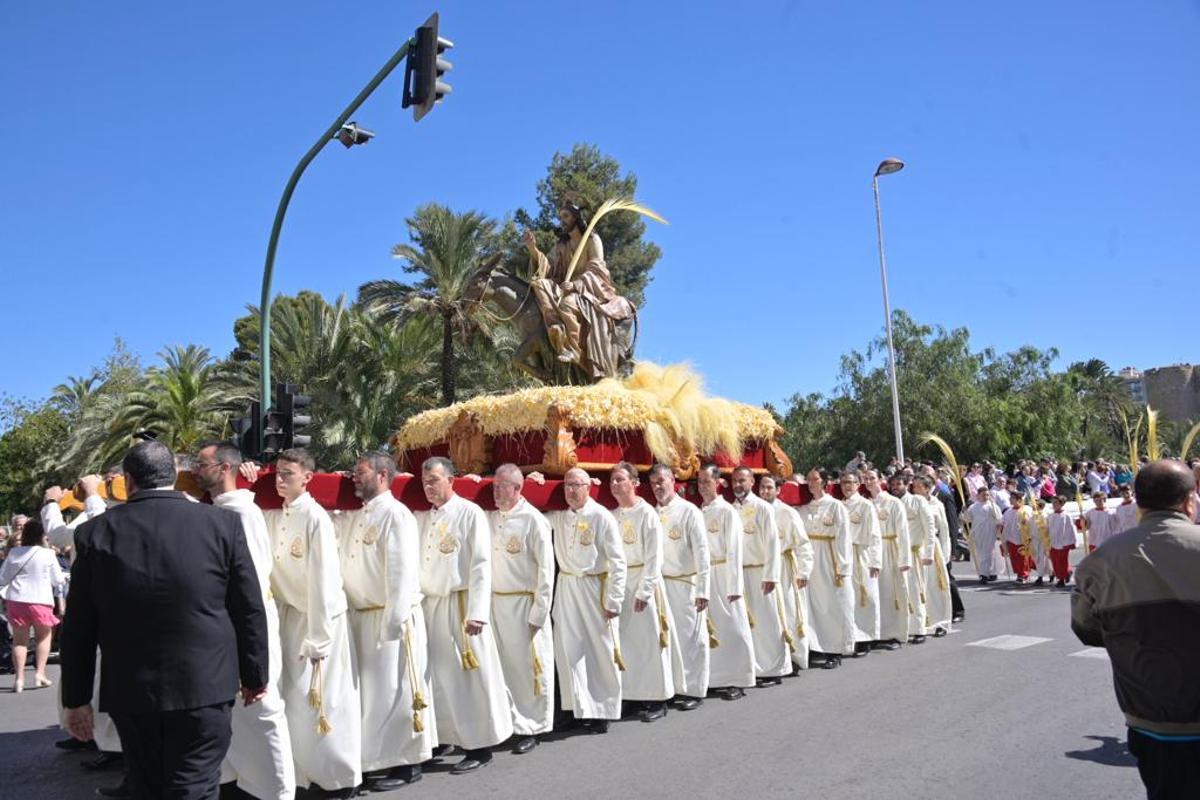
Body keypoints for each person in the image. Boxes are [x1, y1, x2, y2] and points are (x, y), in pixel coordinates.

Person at [59, 440, 268, 800]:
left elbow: (79, 624)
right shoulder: (222, 525)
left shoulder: (94, 533)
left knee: (147, 784)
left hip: (131, 689)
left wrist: (76, 699)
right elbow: (247, 606)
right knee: (195, 783)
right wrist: (254, 674)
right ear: (174, 476)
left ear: (129, 479)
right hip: (205, 684)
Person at [1072, 460, 1200, 798]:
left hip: (1149, 717)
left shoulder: (1099, 563)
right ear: (1190, 500)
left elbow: (1086, 630)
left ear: (1139, 503)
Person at [254, 449, 362, 798]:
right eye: (277, 474)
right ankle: (303, 775)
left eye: (288, 473)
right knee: (294, 702)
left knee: (323, 700)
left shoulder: (315, 517)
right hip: (289, 616)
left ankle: (338, 779)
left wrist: (319, 638)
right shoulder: (276, 514)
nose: (280, 479)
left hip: (320, 619)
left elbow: (325, 580)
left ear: (307, 478)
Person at [192, 442, 296, 800]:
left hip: (248, 620)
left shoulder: (243, 514)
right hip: (226, 622)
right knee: (233, 709)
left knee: (263, 707)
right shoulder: (217, 510)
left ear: (224, 468)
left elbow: (250, 582)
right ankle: (241, 782)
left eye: (201, 463)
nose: (194, 469)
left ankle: (278, 791)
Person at [335, 452, 433, 791]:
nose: (353, 478)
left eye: (359, 472)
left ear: (381, 476)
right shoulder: (360, 515)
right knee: (374, 696)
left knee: (396, 690)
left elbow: (401, 572)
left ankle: (406, 763)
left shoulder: (396, 514)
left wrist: (394, 622)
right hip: (362, 616)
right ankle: (379, 758)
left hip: (389, 617)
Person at [415, 457, 512, 771]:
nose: (428, 487)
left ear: (451, 480)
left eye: (434, 480)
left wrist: (477, 612)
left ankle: (479, 745)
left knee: (467, 677)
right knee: (439, 678)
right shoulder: (422, 517)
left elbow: (482, 564)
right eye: (424, 481)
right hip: (431, 605)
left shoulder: (469, 513)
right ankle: (445, 735)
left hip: (461, 604)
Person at [546, 467, 627, 731]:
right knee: (568, 649)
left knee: (598, 649)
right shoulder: (559, 516)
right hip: (568, 586)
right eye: (567, 485)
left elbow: (618, 561)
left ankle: (602, 710)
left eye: (576, 485)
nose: (571, 491)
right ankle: (573, 708)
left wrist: (614, 599)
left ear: (588, 487)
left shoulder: (601, 516)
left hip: (594, 587)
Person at [485, 463, 554, 753]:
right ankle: (509, 722)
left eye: (502, 487)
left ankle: (532, 726)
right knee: (502, 667)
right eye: (494, 486)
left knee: (528, 667)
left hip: (524, 603)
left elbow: (546, 571)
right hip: (495, 603)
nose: (496, 492)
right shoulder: (490, 517)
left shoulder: (533, 520)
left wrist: (539, 612)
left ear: (517, 488)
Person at [524, 203, 635, 377]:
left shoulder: (592, 240)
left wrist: (576, 285)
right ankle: (556, 328)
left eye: (566, 216)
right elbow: (547, 266)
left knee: (567, 304)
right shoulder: (562, 245)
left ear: (576, 217)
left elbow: (598, 270)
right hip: (564, 287)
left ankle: (573, 350)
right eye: (561, 218)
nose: (562, 221)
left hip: (589, 290)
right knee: (540, 284)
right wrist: (533, 249)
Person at [609, 462, 674, 719]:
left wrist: (644, 591)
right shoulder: (612, 515)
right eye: (612, 480)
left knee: (650, 642)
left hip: (643, 582)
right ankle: (634, 695)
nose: (615, 485)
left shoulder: (647, 513)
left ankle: (658, 698)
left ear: (634, 483)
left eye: (620, 479)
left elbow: (654, 556)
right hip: (622, 582)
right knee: (626, 643)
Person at [648, 463, 712, 710]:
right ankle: (672, 686)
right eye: (653, 483)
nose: (657, 487)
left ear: (673, 480)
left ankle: (693, 690)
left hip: (686, 582)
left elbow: (702, 551)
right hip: (661, 585)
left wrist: (703, 589)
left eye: (661, 481)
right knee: (667, 639)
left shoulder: (689, 511)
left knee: (691, 639)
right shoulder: (651, 512)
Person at [696, 465, 755, 699]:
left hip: (723, 572)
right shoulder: (699, 511)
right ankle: (715, 678)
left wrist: (734, 585)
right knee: (711, 628)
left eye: (707, 481)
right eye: (699, 482)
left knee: (733, 626)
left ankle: (738, 678)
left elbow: (734, 550)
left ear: (719, 483)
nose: (702, 486)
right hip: (705, 573)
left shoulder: (726, 511)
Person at [729, 465, 788, 684]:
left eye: (742, 481)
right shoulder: (731, 509)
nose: (738, 485)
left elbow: (773, 544)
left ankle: (774, 668)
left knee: (767, 621)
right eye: (735, 481)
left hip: (760, 572)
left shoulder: (763, 508)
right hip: (740, 573)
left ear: (752, 482)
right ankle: (753, 667)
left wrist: (771, 575)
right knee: (747, 622)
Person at [0, 518, 65, 692]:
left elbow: (2, 578)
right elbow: (58, 579)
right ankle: (40, 674)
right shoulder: (48, 554)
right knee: (43, 637)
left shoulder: (14, 553)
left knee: (19, 641)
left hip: (17, 600)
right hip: (40, 599)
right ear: (41, 535)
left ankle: (19, 679)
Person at [757, 473, 813, 671]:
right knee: (769, 614)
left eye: (769, 487)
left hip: (784, 568)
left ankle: (795, 656)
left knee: (789, 610)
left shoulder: (787, 513)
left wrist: (804, 571)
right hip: (763, 568)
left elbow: (803, 544)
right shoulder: (754, 511)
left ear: (778, 490)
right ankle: (775, 658)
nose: (764, 491)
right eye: (762, 487)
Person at [800, 468, 855, 666]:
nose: (810, 483)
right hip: (811, 560)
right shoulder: (804, 509)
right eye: (808, 479)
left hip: (829, 559)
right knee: (813, 605)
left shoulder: (835, 506)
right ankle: (816, 646)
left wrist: (842, 566)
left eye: (814, 479)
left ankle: (835, 649)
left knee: (832, 604)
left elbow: (843, 537)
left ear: (824, 482)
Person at [864, 470, 911, 649]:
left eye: (872, 478)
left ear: (880, 480)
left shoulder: (893, 503)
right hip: (872, 551)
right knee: (875, 593)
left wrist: (904, 558)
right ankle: (876, 632)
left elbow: (903, 531)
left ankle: (894, 634)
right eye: (865, 479)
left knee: (891, 593)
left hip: (890, 549)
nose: (869, 482)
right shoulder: (867, 503)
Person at [839, 471, 882, 657]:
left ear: (858, 484)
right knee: (848, 598)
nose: (847, 486)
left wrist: (875, 561)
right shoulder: (839, 506)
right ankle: (851, 635)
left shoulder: (865, 505)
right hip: (844, 554)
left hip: (862, 553)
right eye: (843, 483)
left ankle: (866, 636)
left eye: (851, 483)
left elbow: (874, 534)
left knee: (866, 595)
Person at [891, 473, 933, 643]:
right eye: (892, 484)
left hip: (915, 553)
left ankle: (920, 629)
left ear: (906, 485)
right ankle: (902, 628)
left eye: (898, 484)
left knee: (916, 592)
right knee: (899, 593)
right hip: (896, 554)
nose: (895, 487)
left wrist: (929, 552)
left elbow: (929, 527)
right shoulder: (891, 504)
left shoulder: (918, 501)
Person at [916, 477, 954, 633]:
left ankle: (940, 621)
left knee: (935, 587)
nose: (915, 489)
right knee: (919, 587)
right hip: (916, 548)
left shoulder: (937, 505)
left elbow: (944, 529)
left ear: (927, 488)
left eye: (918, 486)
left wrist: (945, 554)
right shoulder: (911, 503)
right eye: (914, 486)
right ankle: (921, 621)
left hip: (932, 548)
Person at [963, 486, 1003, 583]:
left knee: (988, 553)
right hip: (977, 533)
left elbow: (999, 519)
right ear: (978, 495)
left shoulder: (993, 505)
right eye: (984, 495)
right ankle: (989, 572)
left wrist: (999, 528)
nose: (986, 496)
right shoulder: (973, 507)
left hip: (989, 532)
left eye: (987, 495)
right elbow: (967, 519)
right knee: (980, 554)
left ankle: (985, 575)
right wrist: (965, 511)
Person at [1046, 495, 1076, 588]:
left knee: (1062, 561)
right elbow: (1047, 528)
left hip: (1063, 542)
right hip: (1053, 542)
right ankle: (1067, 572)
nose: (1054, 504)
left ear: (1062, 504)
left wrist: (1070, 542)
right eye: (1053, 503)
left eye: (1056, 503)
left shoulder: (1066, 516)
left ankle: (1061, 579)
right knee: (1055, 560)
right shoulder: (1050, 515)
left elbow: (1070, 529)